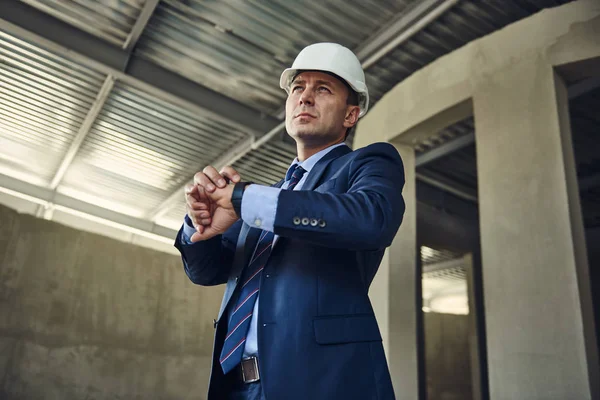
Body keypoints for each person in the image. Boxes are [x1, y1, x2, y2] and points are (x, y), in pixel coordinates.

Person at [175, 42, 405, 400]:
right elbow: (207, 272)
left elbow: (372, 217)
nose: (305, 97)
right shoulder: (265, 199)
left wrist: (244, 198)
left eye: (323, 89)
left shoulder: (367, 164)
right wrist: (199, 228)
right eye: (298, 87)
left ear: (350, 115)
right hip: (236, 384)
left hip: (320, 382)